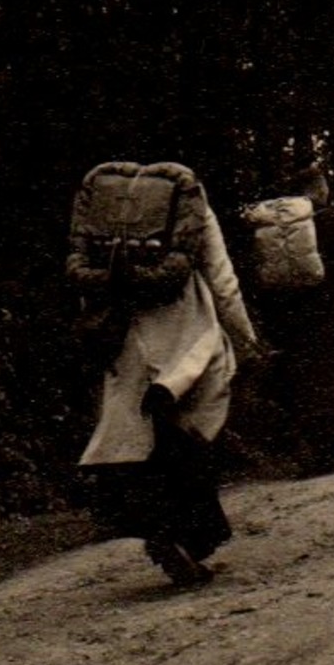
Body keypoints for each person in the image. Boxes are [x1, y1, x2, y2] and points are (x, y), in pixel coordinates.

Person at [71, 162, 260, 588]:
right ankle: (189, 536)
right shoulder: (190, 203)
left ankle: (156, 526)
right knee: (193, 428)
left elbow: (86, 273)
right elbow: (222, 279)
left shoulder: (104, 211)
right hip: (183, 328)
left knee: (131, 435)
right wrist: (244, 336)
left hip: (125, 328)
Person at [250, 166, 334, 479]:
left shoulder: (273, 228)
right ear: (319, 189)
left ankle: (313, 448)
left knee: (304, 382)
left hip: (292, 317)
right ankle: (331, 449)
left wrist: (270, 324)